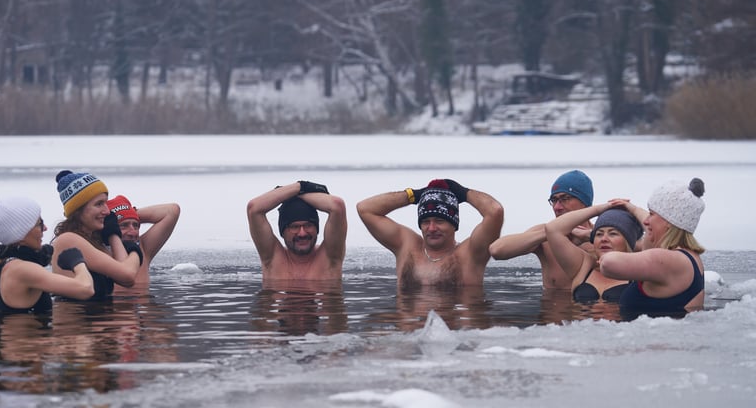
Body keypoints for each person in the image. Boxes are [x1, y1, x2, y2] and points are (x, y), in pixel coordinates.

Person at [356, 178, 503, 288]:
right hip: (409, 322)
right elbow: (365, 209)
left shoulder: (469, 254)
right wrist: (413, 195)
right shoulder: (407, 247)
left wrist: (464, 193)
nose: (431, 228)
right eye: (426, 222)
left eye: (439, 221)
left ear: (454, 224)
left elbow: (495, 211)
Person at [600, 178, 706, 319]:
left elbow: (607, 264)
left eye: (651, 213)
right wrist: (632, 208)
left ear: (669, 221)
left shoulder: (667, 260)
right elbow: (656, 224)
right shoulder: (690, 257)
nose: (645, 221)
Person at [0, 191, 94, 313]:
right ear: (21, 233)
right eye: (39, 224)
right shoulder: (23, 269)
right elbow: (86, 289)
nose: (45, 228)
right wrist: (77, 261)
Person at [490, 169, 594, 290]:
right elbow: (497, 250)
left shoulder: (601, 237)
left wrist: (592, 237)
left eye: (565, 198)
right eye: (554, 200)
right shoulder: (544, 236)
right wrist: (553, 233)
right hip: (553, 302)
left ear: (584, 202)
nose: (557, 207)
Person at [51, 170, 143, 300]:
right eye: (99, 204)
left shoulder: (94, 243)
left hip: (98, 312)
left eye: (105, 203)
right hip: (76, 313)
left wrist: (113, 235)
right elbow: (128, 275)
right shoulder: (68, 240)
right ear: (78, 210)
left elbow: (125, 277)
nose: (107, 211)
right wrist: (134, 248)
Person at [246, 180, 347, 283]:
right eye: (294, 227)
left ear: (316, 228)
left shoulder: (330, 258)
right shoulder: (272, 259)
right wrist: (301, 187)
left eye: (308, 225)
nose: (302, 233)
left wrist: (293, 192)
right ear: (283, 232)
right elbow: (254, 208)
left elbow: (337, 206)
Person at [545, 203, 644, 304]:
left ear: (627, 241)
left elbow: (655, 233)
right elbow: (552, 229)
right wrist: (598, 210)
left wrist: (635, 210)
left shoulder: (641, 271)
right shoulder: (584, 265)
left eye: (613, 234)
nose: (604, 239)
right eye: (599, 234)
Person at [106, 195, 180, 290]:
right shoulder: (98, 253)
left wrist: (130, 212)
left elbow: (172, 211)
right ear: (110, 226)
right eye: (124, 225)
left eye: (135, 225)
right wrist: (108, 217)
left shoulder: (143, 248)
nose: (132, 232)